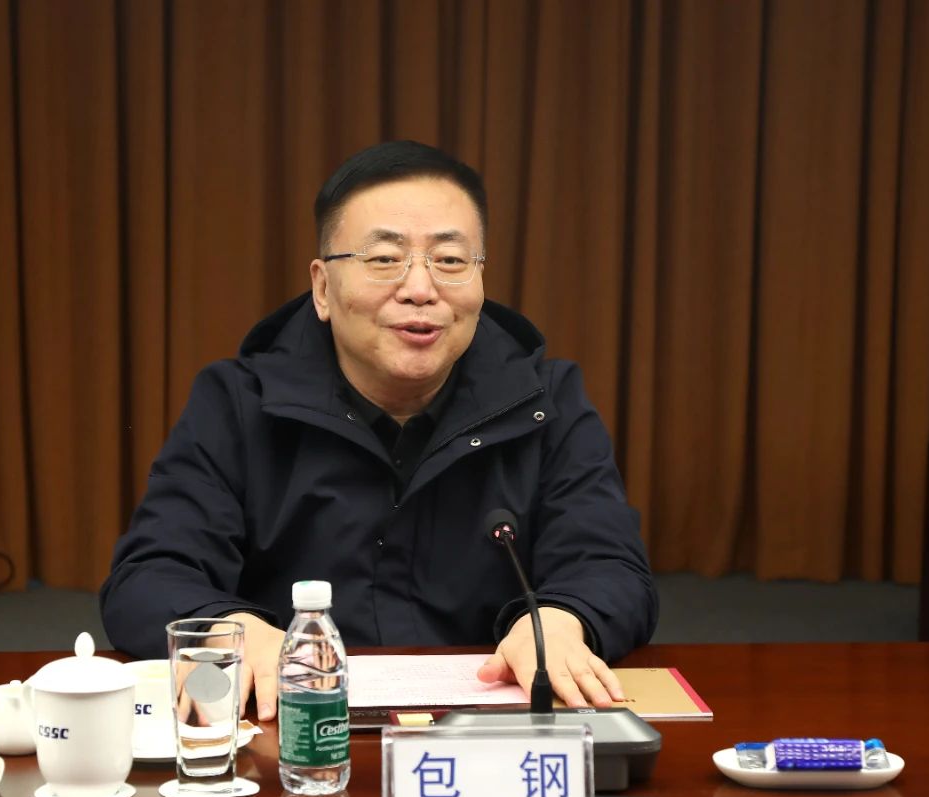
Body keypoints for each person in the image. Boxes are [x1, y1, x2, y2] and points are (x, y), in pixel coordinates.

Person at [100, 140, 657, 722]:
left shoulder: (547, 400)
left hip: (488, 733)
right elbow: (149, 575)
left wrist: (564, 620)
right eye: (385, 258)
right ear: (322, 288)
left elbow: (612, 568)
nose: (420, 288)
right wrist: (229, 628)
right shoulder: (238, 404)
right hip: (294, 730)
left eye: (450, 260)